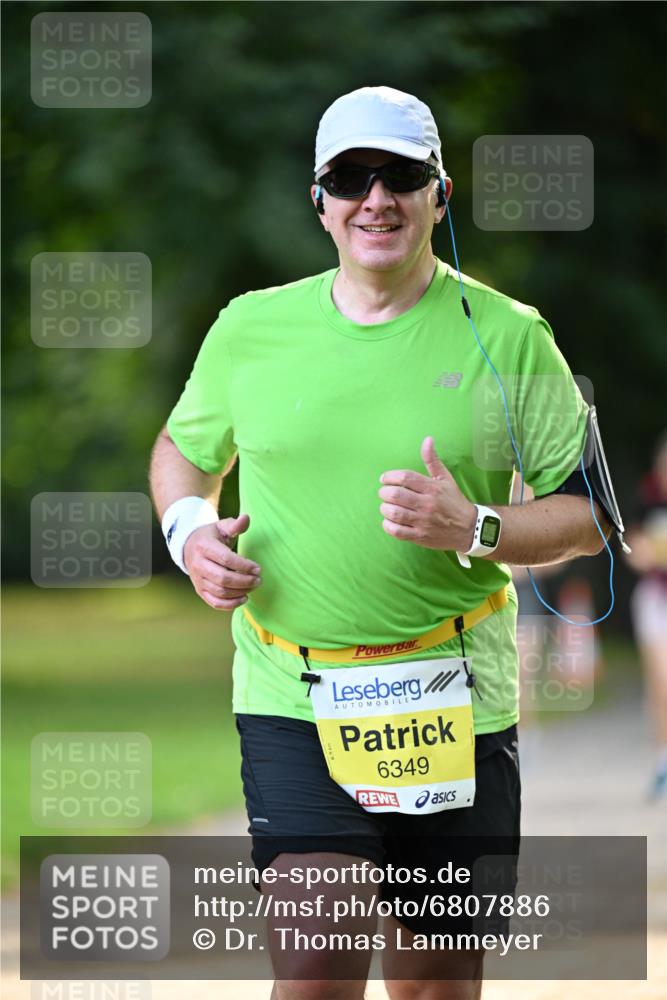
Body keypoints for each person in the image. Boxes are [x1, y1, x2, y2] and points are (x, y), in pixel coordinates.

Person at [149, 86, 612, 1000]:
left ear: (440, 194)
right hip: (292, 689)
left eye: (399, 175)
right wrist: (189, 530)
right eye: (349, 177)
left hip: (452, 699)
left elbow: (589, 511)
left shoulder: (511, 337)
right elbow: (182, 452)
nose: (375, 198)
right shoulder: (251, 327)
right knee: (317, 967)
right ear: (317, 200)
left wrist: (474, 527)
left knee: (433, 985)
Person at [624, 431, 667, 800]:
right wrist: (643, 555)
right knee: (661, 681)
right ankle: (663, 761)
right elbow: (632, 547)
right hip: (656, 596)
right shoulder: (647, 500)